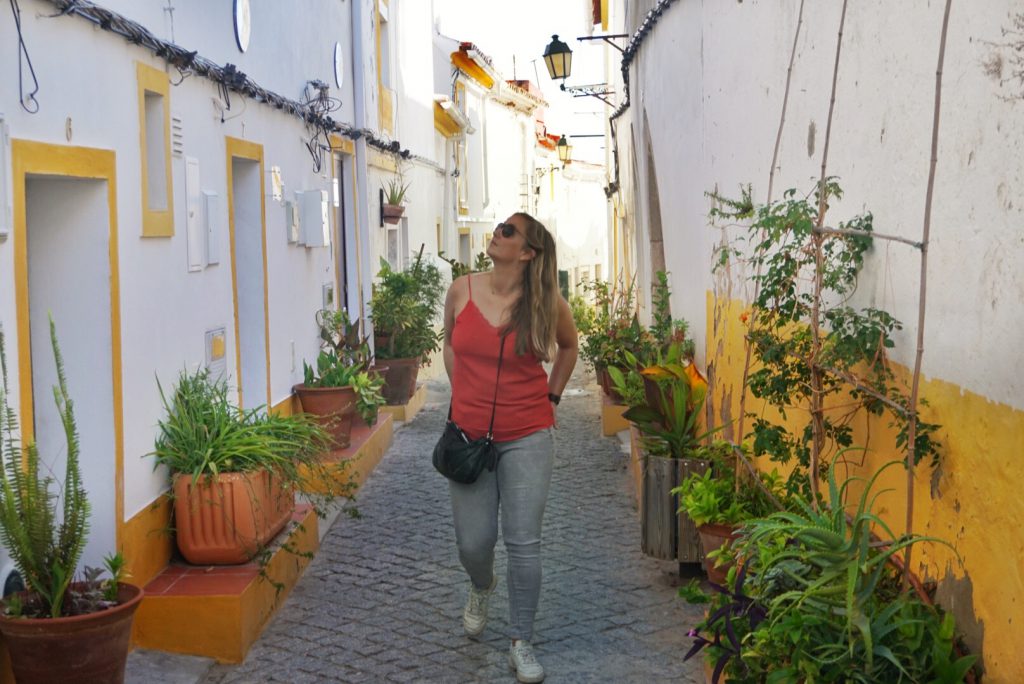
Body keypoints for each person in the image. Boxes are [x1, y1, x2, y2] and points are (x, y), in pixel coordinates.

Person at [442, 212, 578, 683]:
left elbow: (569, 347)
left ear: (526, 253)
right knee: (473, 542)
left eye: (507, 231)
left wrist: (553, 396)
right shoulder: (461, 289)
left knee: (524, 544)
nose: (496, 233)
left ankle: (522, 640)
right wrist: (463, 396)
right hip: (468, 436)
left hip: (528, 434)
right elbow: (452, 346)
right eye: (499, 227)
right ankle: (481, 585)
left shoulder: (545, 300)